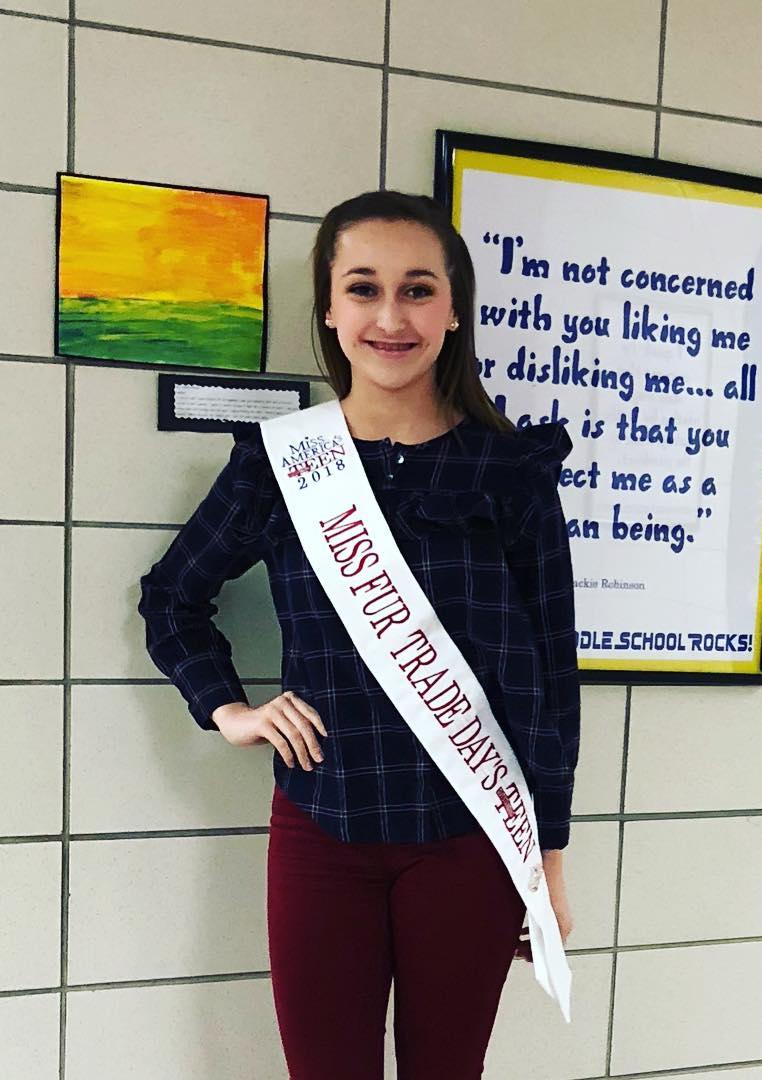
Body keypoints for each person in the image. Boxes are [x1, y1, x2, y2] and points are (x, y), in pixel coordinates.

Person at [138, 191, 580, 1079]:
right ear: (331, 311)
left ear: (453, 311)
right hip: (322, 829)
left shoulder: (508, 473)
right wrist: (228, 709)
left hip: (470, 840)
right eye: (364, 288)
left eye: (418, 289)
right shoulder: (279, 464)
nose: (390, 317)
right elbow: (172, 596)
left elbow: (549, 676)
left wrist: (550, 863)